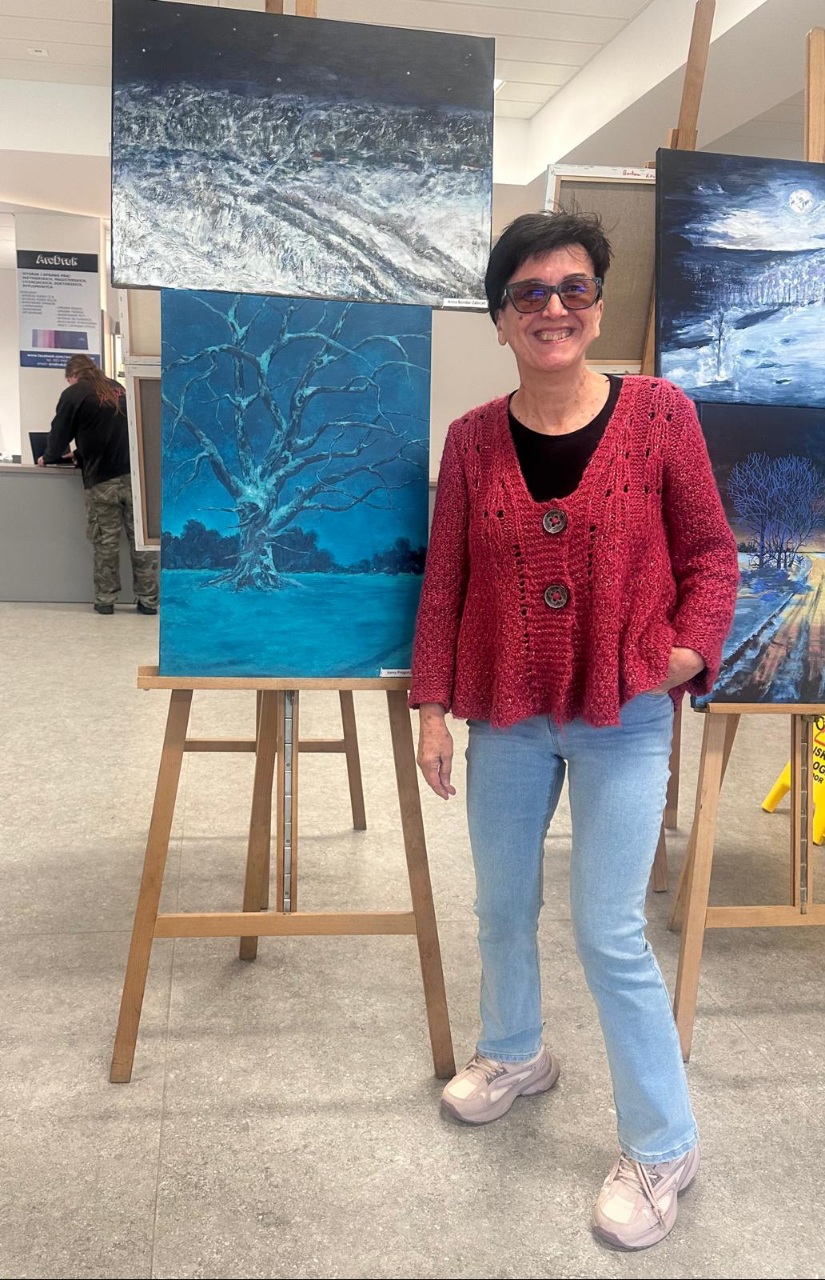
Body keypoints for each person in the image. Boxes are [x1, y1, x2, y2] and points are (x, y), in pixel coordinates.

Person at [410, 211, 739, 1251]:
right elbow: (445, 581)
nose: (553, 308)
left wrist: (684, 652)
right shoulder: (472, 440)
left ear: (597, 303)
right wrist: (431, 707)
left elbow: (711, 554)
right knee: (501, 904)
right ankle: (515, 1050)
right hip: (507, 715)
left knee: (607, 929)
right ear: (500, 315)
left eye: (574, 288)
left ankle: (663, 1142)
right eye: (529, 292)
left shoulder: (660, 415)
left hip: (623, 715)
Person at [38, 354, 158, 616]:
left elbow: (58, 437)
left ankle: (105, 601)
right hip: (136, 479)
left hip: (102, 480)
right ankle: (149, 601)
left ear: (73, 375)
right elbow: (113, 432)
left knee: (105, 542)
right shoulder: (119, 388)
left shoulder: (74, 393)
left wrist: (47, 456)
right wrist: (80, 453)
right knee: (141, 543)